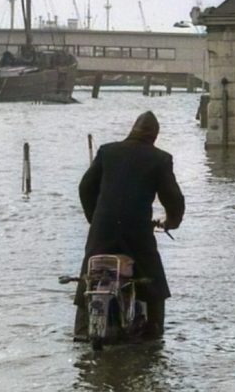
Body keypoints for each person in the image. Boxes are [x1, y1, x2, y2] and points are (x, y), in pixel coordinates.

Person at [74, 110, 185, 340]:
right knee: (154, 284)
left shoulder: (107, 151)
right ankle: (153, 334)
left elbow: (85, 187)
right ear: (154, 136)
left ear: (132, 129)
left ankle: (82, 329)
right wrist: (171, 222)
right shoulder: (160, 159)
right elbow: (173, 199)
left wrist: (95, 219)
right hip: (137, 234)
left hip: (102, 231)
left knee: (89, 275)